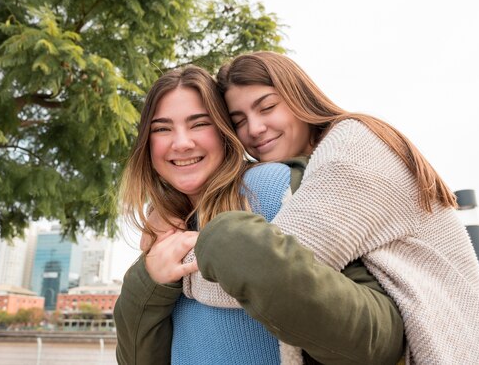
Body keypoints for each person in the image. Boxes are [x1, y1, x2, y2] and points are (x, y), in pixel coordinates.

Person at [182, 51, 479, 364]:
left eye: (267, 107)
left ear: (299, 96)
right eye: (239, 120)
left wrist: (178, 270)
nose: (254, 129)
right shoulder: (309, 168)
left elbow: (278, 268)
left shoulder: (352, 146)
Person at [114, 66, 404, 365]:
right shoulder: (162, 236)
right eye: (162, 128)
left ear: (225, 131)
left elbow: (379, 340)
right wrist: (148, 281)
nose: (182, 142)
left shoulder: (277, 188)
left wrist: (230, 244)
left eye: (199, 124)